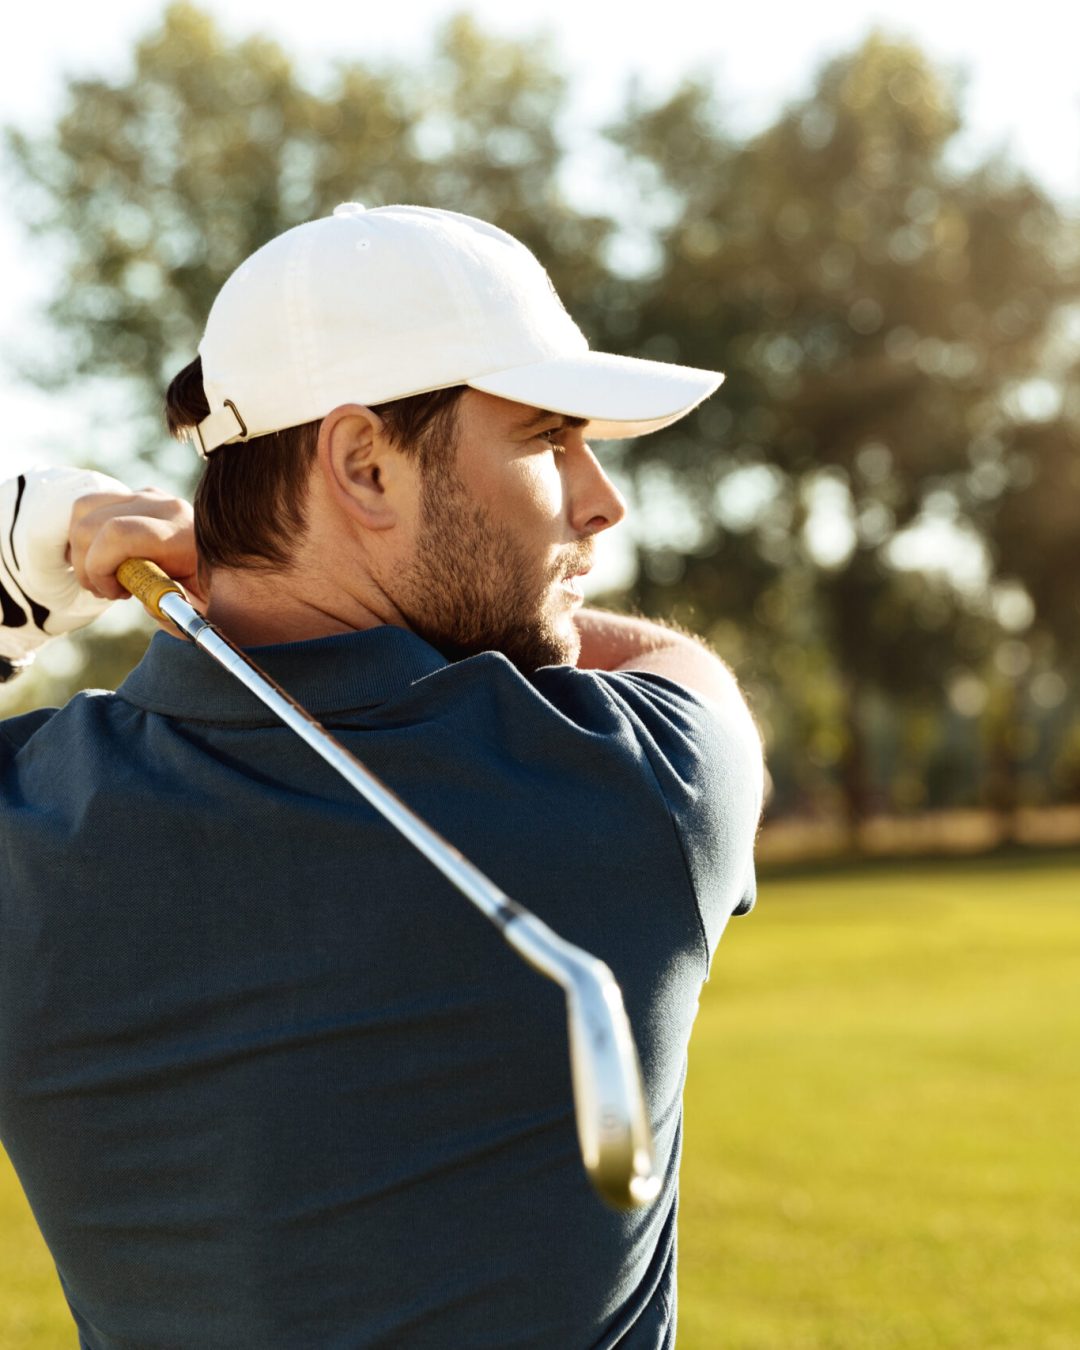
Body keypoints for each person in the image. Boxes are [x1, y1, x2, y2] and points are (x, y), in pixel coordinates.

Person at [0, 203, 763, 1349]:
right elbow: (681, 662)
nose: (601, 499)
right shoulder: (643, 785)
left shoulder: (32, 829)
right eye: (547, 438)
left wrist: (38, 549)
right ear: (362, 465)